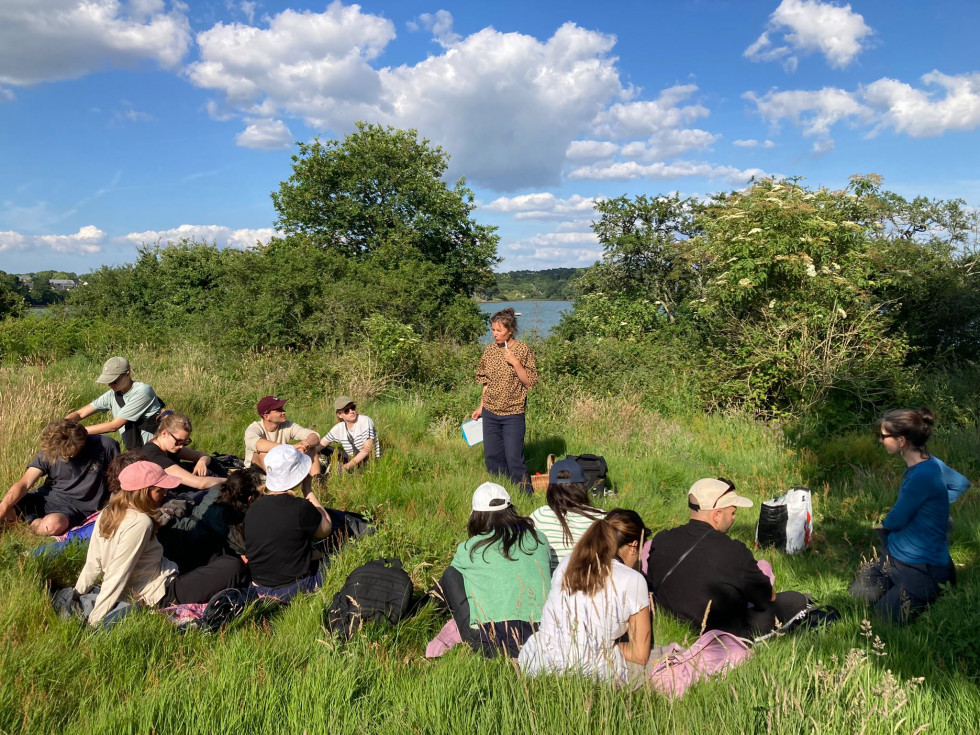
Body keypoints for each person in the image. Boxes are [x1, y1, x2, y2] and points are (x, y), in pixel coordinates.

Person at [73, 461, 247, 626]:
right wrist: (96, 619)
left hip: (152, 574)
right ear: (144, 491)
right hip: (158, 593)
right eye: (160, 490)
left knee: (210, 552)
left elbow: (93, 561)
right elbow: (118, 573)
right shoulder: (140, 523)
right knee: (233, 566)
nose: (165, 494)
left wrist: (78, 592)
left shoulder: (107, 512)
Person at [645, 478, 809, 639]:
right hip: (722, 632)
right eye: (733, 512)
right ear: (717, 515)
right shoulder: (734, 552)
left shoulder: (661, 540)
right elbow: (767, 597)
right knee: (795, 600)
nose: (734, 517)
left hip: (673, 621)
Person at [850, 408, 962, 624]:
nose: (881, 441)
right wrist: (934, 514)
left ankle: (935, 587)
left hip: (921, 569)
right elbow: (957, 485)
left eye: (883, 436)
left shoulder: (922, 476)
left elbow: (895, 520)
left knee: (882, 620)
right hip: (897, 557)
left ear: (901, 441)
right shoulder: (929, 462)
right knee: (858, 594)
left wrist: (934, 521)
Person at [519, 509, 652, 684]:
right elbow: (640, 654)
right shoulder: (633, 580)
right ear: (634, 546)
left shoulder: (568, 562)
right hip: (591, 675)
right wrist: (607, 646)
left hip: (535, 663)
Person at [439, 482, 551, 656]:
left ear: (477, 516)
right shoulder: (540, 538)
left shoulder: (469, 548)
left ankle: (471, 634)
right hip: (543, 633)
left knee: (451, 575)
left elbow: (448, 583)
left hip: (493, 641)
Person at [243, 444, 332, 600]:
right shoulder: (300, 507)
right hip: (292, 588)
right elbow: (325, 529)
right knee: (337, 556)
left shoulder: (253, 508)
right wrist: (308, 491)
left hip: (258, 588)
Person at [0, 419, 118, 536]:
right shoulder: (53, 448)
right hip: (44, 498)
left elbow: (117, 483)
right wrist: (3, 508)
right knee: (6, 507)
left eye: (72, 451)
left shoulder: (106, 446)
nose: (69, 455)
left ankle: (27, 523)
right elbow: (25, 483)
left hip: (74, 507)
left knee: (51, 525)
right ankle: (28, 520)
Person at [471, 307, 537, 494]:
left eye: (499, 330)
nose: (495, 334)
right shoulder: (490, 350)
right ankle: (500, 494)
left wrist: (515, 362)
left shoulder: (522, 350)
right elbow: (486, 382)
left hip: (513, 413)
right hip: (491, 412)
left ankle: (525, 495)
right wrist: (481, 407)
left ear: (510, 330)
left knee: (514, 458)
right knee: (493, 457)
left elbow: (530, 382)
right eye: (493, 330)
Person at [65, 356, 164, 450]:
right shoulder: (113, 394)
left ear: (128, 374)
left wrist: (75, 432)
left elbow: (114, 426)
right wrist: (62, 424)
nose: (111, 385)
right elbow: (80, 413)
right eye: (108, 381)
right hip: (136, 450)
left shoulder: (143, 391)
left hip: (155, 449)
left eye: (115, 381)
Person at [530, 457, 604, 565]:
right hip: (590, 579)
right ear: (581, 487)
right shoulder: (600, 517)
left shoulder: (540, 515)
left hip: (551, 580)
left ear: (551, 488)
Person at [141, 412, 226, 491]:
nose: (181, 446)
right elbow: (199, 483)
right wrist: (231, 481)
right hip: (164, 498)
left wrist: (202, 462)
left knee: (212, 464)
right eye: (178, 441)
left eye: (185, 442)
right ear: (164, 433)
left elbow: (203, 455)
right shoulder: (153, 454)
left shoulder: (170, 447)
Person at [243, 396, 319, 473]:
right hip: (255, 471)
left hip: (281, 464)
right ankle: (276, 481)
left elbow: (315, 436)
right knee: (262, 454)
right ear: (266, 416)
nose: (284, 412)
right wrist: (290, 448)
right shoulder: (254, 428)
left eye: (282, 408)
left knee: (311, 448)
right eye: (278, 410)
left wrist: (305, 444)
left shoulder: (287, 425)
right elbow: (258, 444)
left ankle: (316, 481)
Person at [318, 396, 380, 472]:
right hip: (351, 459)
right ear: (340, 415)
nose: (351, 411)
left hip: (368, 460)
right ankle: (320, 466)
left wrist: (347, 466)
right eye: (347, 410)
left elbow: (367, 449)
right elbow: (322, 444)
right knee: (323, 448)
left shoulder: (365, 420)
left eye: (353, 407)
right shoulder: (339, 428)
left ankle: (337, 469)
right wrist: (306, 451)